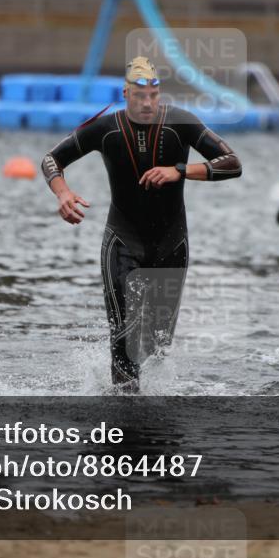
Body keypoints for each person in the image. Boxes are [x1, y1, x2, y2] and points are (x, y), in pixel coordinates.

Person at [41, 56, 242, 391]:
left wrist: (179, 170)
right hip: (122, 241)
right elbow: (51, 159)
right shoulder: (105, 129)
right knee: (123, 337)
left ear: (159, 94)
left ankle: (146, 417)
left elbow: (232, 163)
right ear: (125, 93)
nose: (147, 103)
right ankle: (123, 420)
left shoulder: (181, 122)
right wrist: (62, 193)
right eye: (139, 96)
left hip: (171, 244)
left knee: (157, 344)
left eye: (153, 95)